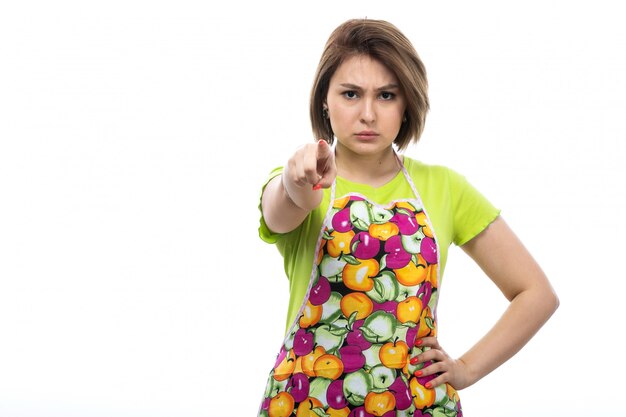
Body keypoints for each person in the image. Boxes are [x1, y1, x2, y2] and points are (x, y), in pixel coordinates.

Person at [256, 18, 559, 417]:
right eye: (350, 94)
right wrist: (299, 179)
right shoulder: (300, 178)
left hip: (416, 406)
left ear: (406, 104)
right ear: (324, 101)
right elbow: (285, 210)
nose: (367, 113)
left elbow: (537, 295)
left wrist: (466, 368)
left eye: (385, 95)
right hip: (304, 402)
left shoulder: (445, 188)